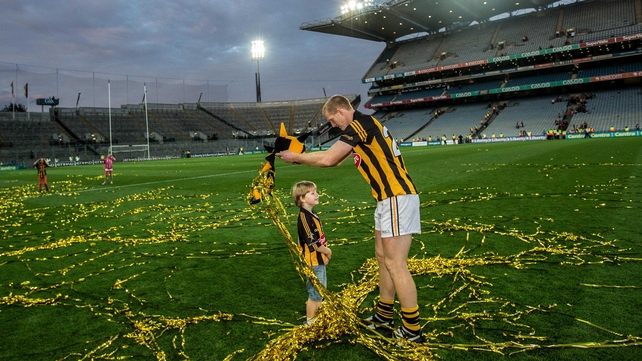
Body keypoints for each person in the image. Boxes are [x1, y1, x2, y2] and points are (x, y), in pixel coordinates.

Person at [277, 94, 424, 343]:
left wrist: (296, 157)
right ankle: (384, 316)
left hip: (397, 198)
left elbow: (329, 158)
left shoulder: (360, 124)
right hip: (386, 200)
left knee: (396, 264)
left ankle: (413, 329)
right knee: (383, 259)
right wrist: (301, 157)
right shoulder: (362, 129)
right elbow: (333, 162)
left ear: (343, 111)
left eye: (332, 120)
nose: (332, 126)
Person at [292, 181, 332, 326]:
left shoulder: (312, 214)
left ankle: (318, 319)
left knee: (320, 292)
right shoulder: (304, 218)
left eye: (316, 191)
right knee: (315, 295)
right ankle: (310, 322)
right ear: (302, 198)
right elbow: (313, 243)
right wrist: (328, 251)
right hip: (312, 262)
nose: (317, 195)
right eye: (312, 193)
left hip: (319, 259)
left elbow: (320, 237)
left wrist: (324, 255)